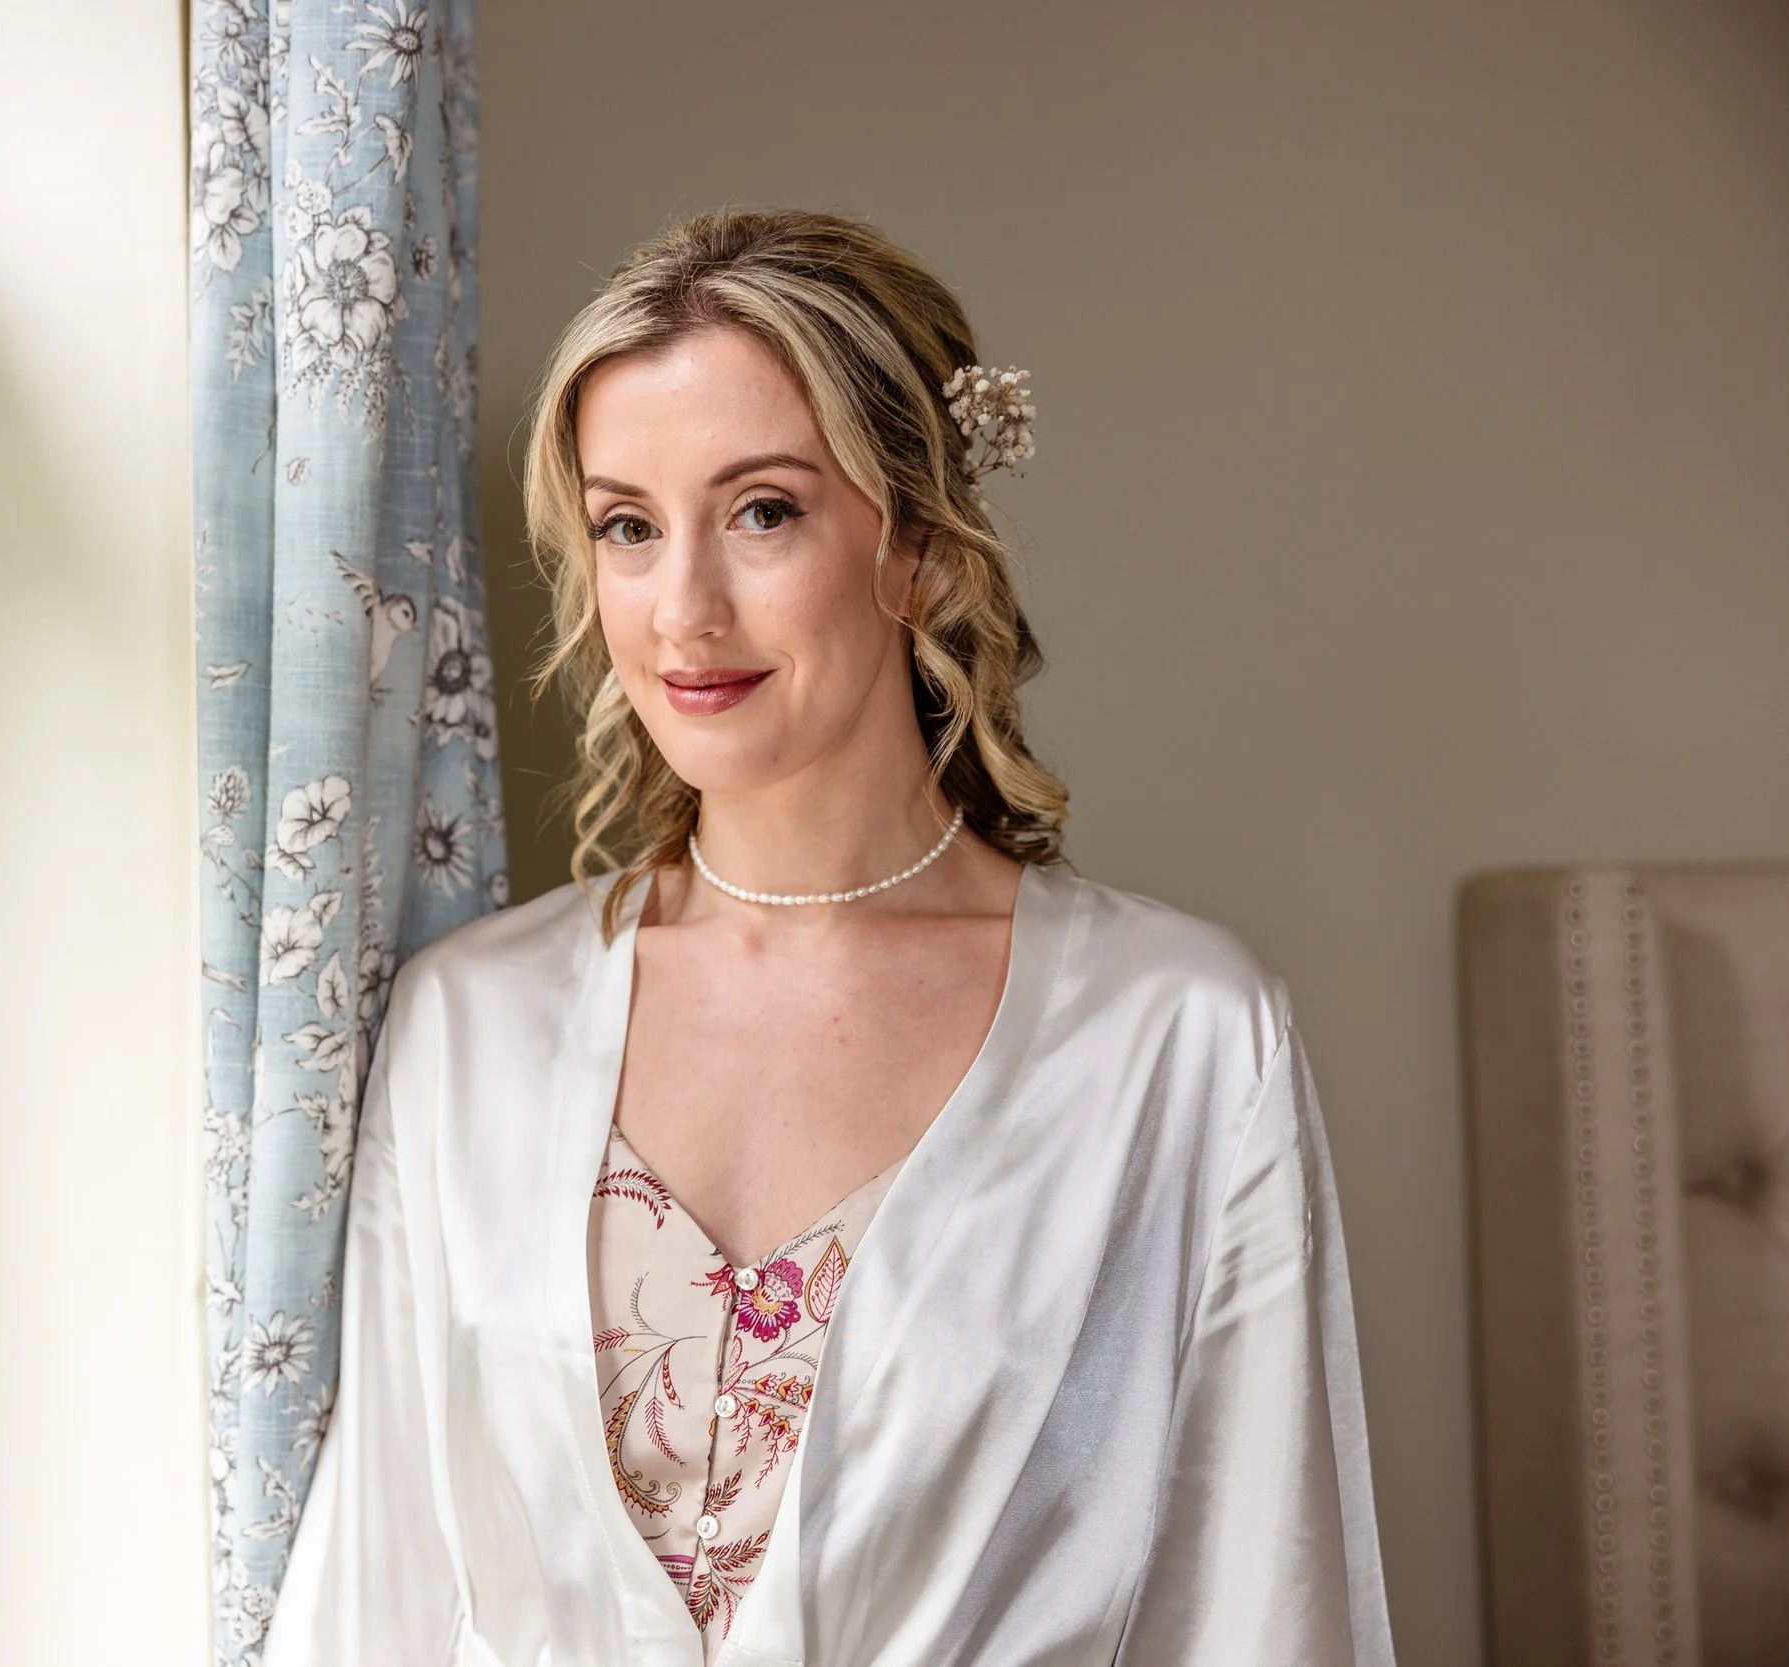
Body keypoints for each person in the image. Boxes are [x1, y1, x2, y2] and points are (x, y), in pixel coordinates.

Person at [261, 207, 1394, 1667]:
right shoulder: (466, 1023)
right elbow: (378, 1595)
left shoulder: (1177, 1037)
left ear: (915, 544)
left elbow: (1262, 1603)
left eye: (764, 511)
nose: (684, 608)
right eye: (628, 526)